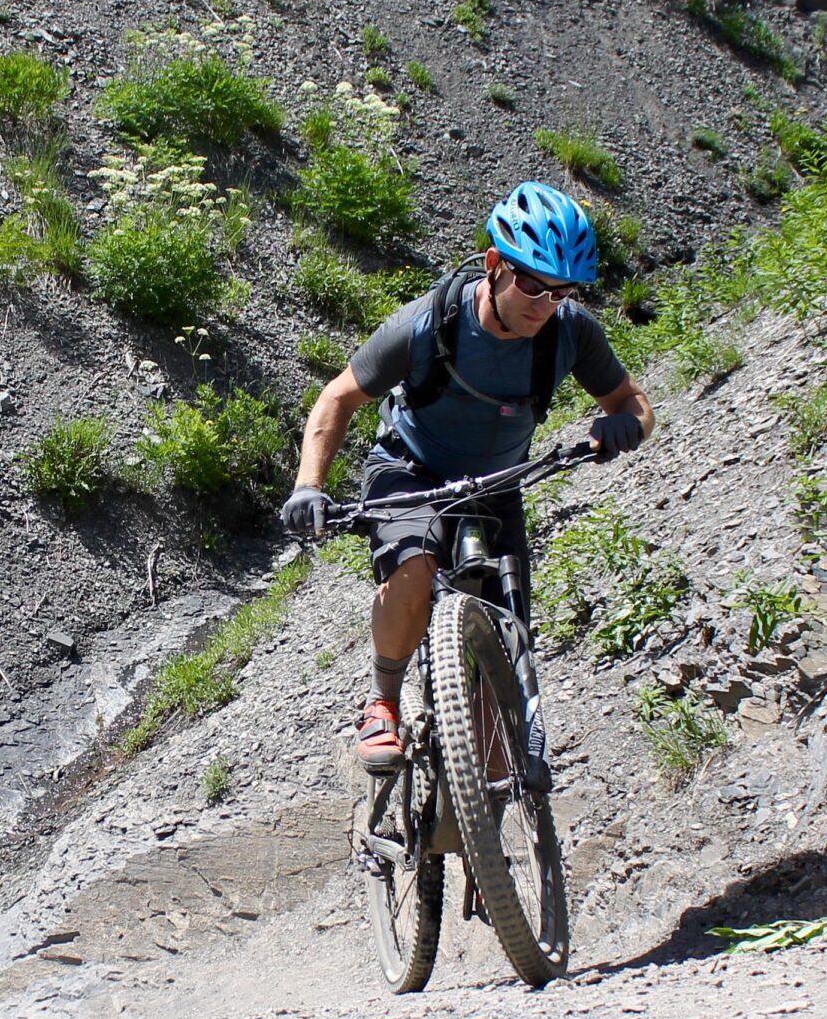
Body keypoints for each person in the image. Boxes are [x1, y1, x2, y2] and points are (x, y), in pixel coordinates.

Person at [279, 181, 657, 771]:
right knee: (414, 565)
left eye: (561, 292)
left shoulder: (570, 332)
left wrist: (625, 425)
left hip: (497, 486)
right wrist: (309, 486)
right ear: (495, 266)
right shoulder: (426, 325)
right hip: (410, 470)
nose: (544, 303)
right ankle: (382, 701)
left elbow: (632, 402)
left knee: (501, 698)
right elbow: (337, 399)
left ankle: (481, 831)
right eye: (532, 284)